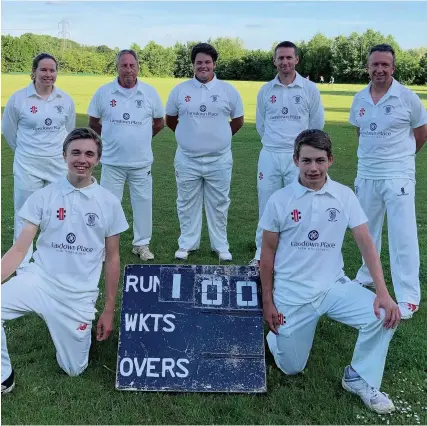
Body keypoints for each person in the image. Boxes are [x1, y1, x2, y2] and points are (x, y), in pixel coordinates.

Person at [260, 129, 400, 414]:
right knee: (291, 368)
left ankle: (358, 377)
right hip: (292, 293)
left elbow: (366, 243)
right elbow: (267, 254)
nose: (313, 168)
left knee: (385, 314)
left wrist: (383, 293)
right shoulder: (280, 200)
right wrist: (268, 301)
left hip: (333, 287)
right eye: (307, 160)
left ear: (330, 161)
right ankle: (276, 339)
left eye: (320, 161)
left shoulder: (344, 196)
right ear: (295, 160)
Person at [1, 128, 129, 394]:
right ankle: (4, 377)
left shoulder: (108, 202)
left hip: (78, 296)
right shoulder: (43, 196)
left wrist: (108, 309)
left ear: (98, 159)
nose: (82, 159)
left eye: (89, 154)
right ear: (64, 155)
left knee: (73, 369)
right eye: (76, 152)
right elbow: (19, 250)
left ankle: (72, 333)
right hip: (40, 281)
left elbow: (113, 258)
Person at [349, 44, 427, 320]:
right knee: (366, 231)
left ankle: (408, 297)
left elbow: (421, 133)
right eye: (375, 65)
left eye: (385, 65)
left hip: (398, 177)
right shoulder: (359, 98)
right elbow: (361, 134)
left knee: (402, 235)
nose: (379, 69)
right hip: (367, 173)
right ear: (368, 67)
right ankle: (367, 275)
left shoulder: (407, 98)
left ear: (393, 68)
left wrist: (400, 160)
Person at [165, 43, 244, 261]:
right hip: (187, 158)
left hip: (219, 159)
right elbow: (171, 120)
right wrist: (189, 137)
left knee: (219, 203)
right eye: (199, 62)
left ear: (214, 64)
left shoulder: (228, 90)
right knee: (186, 201)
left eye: (207, 62)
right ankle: (187, 244)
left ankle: (220, 245)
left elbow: (238, 121)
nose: (203, 66)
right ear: (193, 65)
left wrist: (219, 138)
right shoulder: (180, 90)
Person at [251, 41, 325, 266]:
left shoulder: (309, 89)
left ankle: (296, 255)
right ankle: (260, 255)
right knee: (267, 205)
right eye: (280, 58)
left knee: (298, 205)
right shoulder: (265, 90)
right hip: (270, 155)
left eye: (288, 58)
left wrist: (301, 151)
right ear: (274, 61)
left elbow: (316, 124)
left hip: (298, 158)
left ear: (296, 60)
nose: (284, 62)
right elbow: (261, 125)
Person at [88, 49, 164, 261]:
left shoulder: (149, 93)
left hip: (141, 163)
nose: (128, 69)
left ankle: (141, 244)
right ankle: (105, 246)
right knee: (109, 205)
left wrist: (141, 138)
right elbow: (93, 122)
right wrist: (112, 139)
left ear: (138, 67)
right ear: (117, 68)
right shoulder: (104, 92)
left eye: (132, 65)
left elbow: (159, 123)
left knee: (143, 203)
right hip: (112, 162)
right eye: (124, 65)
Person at [2, 53, 76, 272]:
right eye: (43, 70)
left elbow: (70, 131)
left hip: (57, 165)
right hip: (27, 164)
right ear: (33, 72)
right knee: (25, 213)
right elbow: (8, 132)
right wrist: (27, 151)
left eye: (52, 70)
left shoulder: (65, 99)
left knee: (59, 212)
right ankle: (23, 264)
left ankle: (53, 260)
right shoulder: (18, 99)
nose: (48, 74)